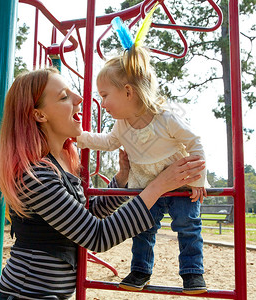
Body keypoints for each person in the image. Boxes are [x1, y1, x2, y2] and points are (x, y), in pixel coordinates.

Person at [0, 67, 205, 300]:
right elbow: (97, 236)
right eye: (64, 97)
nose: (79, 98)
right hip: (26, 294)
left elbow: (86, 217)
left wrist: (121, 179)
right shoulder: (36, 175)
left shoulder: (62, 162)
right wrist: (159, 185)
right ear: (39, 115)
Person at [76, 42, 209, 294]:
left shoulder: (165, 117)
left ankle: (193, 273)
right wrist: (79, 137)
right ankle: (140, 271)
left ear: (128, 92)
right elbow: (107, 142)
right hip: (147, 186)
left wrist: (198, 180)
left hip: (180, 182)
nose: (102, 103)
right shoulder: (122, 125)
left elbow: (195, 142)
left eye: (105, 95)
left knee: (188, 225)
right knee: (143, 228)